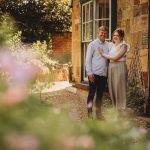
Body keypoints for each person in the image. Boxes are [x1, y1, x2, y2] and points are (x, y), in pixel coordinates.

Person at [99, 28, 130, 110]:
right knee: (112, 87)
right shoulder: (111, 45)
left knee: (119, 87)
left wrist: (103, 54)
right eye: (114, 35)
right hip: (111, 67)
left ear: (121, 37)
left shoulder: (124, 46)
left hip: (120, 67)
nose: (115, 37)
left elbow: (116, 58)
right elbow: (102, 41)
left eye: (117, 35)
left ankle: (121, 109)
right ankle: (116, 108)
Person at [85, 26, 109, 119]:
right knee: (91, 94)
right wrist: (89, 72)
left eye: (105, 32)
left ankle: (98, 114)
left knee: (100, 95)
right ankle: (90, 114)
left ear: (107, 34)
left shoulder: (108, 45)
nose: (103, 33)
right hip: (94, 74)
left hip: (103, 75)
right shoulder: (92, 44)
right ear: (98, 33)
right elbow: (87, 59)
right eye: (101, 32)